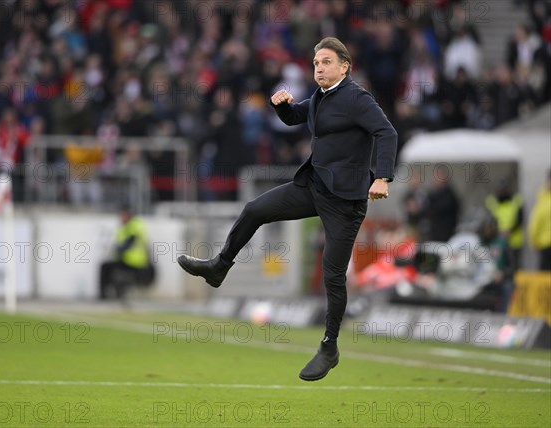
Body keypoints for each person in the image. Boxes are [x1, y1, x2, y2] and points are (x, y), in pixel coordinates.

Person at [177, 37, 397, 381]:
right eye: (315, 63)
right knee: (254, 209)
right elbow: (297, 116)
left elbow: (387, 132)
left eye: (326, 62)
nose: (319, 68)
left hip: (344, 201)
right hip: (314, 186)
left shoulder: (357, 98)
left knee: (332, 275)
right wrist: (281, 106)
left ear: (344, 66)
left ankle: (329, 346)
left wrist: (382, 176)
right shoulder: (322, 98)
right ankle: (220, 266)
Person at [99, 206, 154, 299]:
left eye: (123, 215)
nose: (121, 218)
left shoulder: (135, 224)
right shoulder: (123, 228)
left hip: (136, 262)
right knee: (106, 266)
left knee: (106, 267)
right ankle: (108, 294)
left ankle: (104, 296)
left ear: (128, 215)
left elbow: (130, 241)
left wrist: (119, 248)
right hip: (126, 260)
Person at [485, 180, 525, 268]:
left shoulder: (516, 200)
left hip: (514, 241)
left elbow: (520, 219)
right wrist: (497, 232)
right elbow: (491, 222)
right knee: (499, 264)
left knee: (514, 265)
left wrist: (510, 230)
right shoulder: (493, 202)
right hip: (499, 241)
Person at [528, 170, 551, 270]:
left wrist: (534, 241)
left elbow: (535, 223)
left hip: (544, 244)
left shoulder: (542, 200)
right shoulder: (542, 199)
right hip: (545, 245)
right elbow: (535, 223)